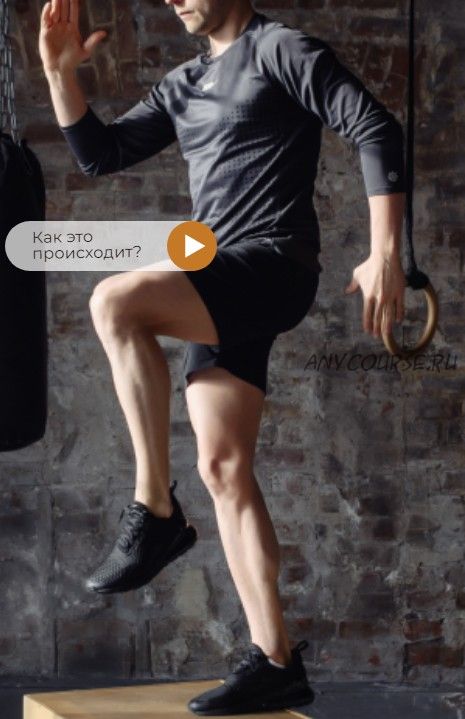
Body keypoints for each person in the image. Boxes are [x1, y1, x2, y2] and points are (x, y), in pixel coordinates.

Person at [39, 0, 407, 714]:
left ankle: (154, 509)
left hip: (271, 266)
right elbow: (99, 155)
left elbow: (374, 126)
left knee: (115, 302)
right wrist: (60, 75)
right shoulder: (182, 83)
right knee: (223, 467)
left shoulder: (280, 49)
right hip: (218, 277)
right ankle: (276, 661)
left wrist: (384, 251)